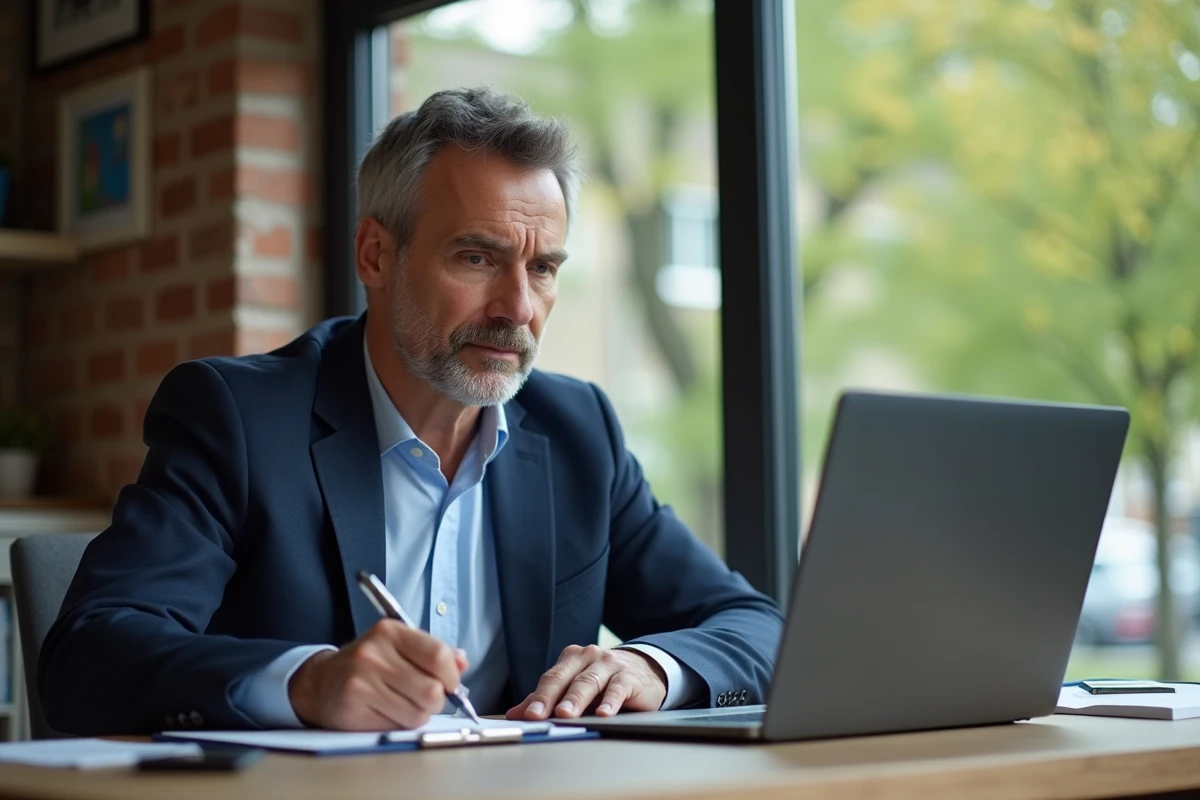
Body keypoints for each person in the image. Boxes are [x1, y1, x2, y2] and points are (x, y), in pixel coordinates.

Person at [39, 87, 783, 735]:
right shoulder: (239, 418)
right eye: (477, 258)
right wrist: (306, 682)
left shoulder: (577, 430)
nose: (517, 308)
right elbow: (90, 656)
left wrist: (652, 666)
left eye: (544, 268)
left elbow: (762, 630)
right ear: (374, 255)